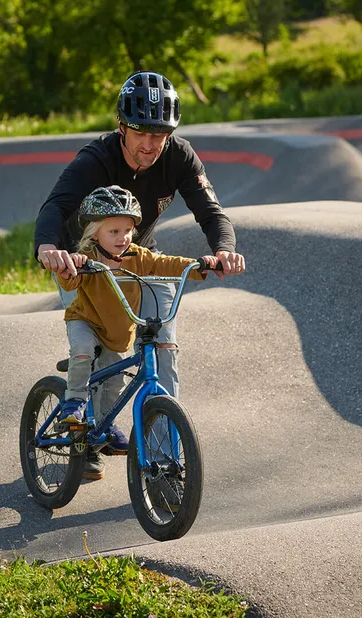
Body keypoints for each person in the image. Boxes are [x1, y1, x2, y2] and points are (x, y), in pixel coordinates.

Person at [34, 70, 246, 479]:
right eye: (139, 133)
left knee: (164, 347)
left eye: (159, 134)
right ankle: (89, 437)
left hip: (138, 261)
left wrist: (224, 251)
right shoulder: (96, 159)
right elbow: (55, 206)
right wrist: (48, 248)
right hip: (81, 263)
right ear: (121, 128)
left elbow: (211, 212)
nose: (149, 145)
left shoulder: (179, 156)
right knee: (99, 345)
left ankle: (164, 463)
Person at [55, 185, 221, 481]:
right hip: (86, 323)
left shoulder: (137, 256)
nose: (123, 238)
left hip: (117, 332)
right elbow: (68, 282)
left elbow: (165, 264)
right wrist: (70, 268)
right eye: (114, 232)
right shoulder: (85, 258)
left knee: (116, 381)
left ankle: (104, 425)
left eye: (128, 230)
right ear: (95, 234)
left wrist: (200, 265)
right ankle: (74, 401)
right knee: (82, 351)